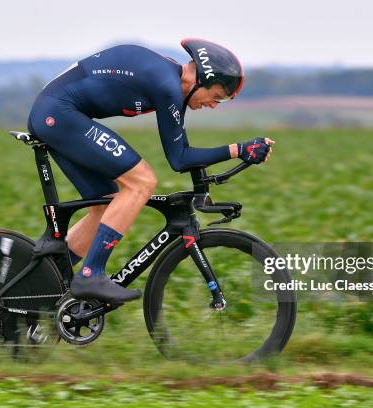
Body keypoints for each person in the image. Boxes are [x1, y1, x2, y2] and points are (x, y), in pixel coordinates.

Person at [27, 38, 274, 304]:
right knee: (142, 182)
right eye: (215, 97)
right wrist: (238, 149)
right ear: (200, 79)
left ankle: (48, 281)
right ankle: (91, 275)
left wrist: (237, 151)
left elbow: (181, 153)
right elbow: (179, 159)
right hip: (58, 113)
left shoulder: (172, 85)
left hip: (57, 113)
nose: (213, 105)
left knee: (106, 205)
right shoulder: (166, 86)